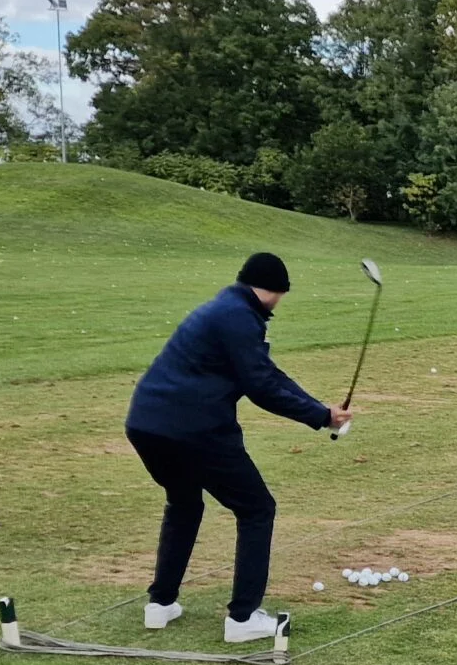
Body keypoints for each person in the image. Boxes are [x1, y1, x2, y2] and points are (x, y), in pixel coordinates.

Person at [124, 252, 350, 644]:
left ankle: (160, 605)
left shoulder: (225, 310)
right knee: (257, 508)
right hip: (195, 429)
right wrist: (318, 417)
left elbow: (266, 372)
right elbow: (260, 387)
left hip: (147, 425)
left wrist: (321, 411)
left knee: (185, 503)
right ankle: (243, 618)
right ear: (274, 291)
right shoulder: (239, 318)